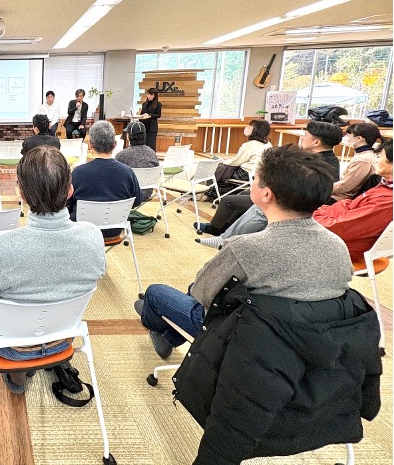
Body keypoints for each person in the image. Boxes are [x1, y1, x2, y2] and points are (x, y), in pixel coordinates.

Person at [138, 145, 352, 359]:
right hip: (309, 341)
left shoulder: (245, 248)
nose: (252, 181)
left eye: (255, 177)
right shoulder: (338, 246)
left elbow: (201, 294)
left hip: (244, 337)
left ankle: (160, 327)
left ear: (266, 194)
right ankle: (169, 335)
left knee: (156, 294)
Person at [0, 147, 106, 394]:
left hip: (10, 347)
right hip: (63, 338)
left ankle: (17, 374)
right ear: (70, 190)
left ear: (22, 193)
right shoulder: (93, 237)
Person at [195, 119, 342, 239]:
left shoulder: (318, 164)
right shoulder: (323, 159)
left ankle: (222, 235)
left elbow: (296, 188)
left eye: (305, 135)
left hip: (288, 202)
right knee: (244, 195)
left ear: (316, 142)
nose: (302, 138)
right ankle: (225, 230)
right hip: (285, 196)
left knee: (233, 201)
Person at [313, 138, 392, 267]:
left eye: (380, 156)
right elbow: (348, 205)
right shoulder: (386, 188)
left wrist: (314, 215)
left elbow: (338, 227)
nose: (377, 159)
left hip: (344, 246)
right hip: (347, 235)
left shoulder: (386, 200)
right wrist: (324, 211)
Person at [68, 120, 142, 238]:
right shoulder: (127, 172)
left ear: (90, 145)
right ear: (114, 145)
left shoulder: (77, 173)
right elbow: (137, 201)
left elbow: (66, 203)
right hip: (115, 230)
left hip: (81, 232)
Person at [205, 119, 271, 200]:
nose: (247, 128)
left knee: (220, 171)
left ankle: (212, 195)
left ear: (256, 130)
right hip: (260, 174)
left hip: (245, 173)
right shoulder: (268, 144)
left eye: (250, 127)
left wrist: (224, 161)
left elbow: (237, 162)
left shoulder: (249, 145)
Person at [329, 122, 382, 202]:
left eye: (348, 136)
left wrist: (323, 189)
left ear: (358, 138)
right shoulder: (364, 154)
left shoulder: (363, 160)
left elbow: (345, 186)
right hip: (341, 194)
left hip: (342, 198)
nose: (346, 139)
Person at [115, 121, 158, 201]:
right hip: (147, 193)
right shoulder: (152, 153)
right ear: (144, 135)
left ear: (128, 136)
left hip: (128, 194)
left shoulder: (122, 155)